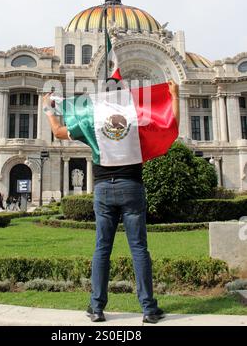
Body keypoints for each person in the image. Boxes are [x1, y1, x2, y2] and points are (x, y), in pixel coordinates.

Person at [43, 80, 180, 324]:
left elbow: (58, 131)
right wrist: (174, 96)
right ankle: (148, 309)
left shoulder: (91, 119)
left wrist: (48, 108)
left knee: (102, 248)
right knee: (138, 248)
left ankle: (96, 308)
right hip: (132, 187)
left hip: (104, 189)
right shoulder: (137, 118)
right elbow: (170, 126)